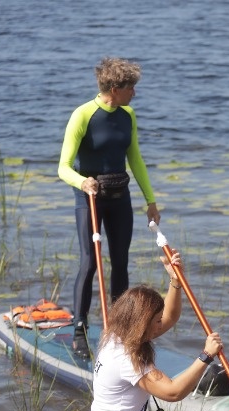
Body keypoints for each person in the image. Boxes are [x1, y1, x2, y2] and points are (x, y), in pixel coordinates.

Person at [85, 255, 222, 411]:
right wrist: (205, 357)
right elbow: (172, 392)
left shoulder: (119, 334)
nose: (161, 325)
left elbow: (170, 317)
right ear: (141, 323)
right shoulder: (125, 356)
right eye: (155, 321)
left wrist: (175, 281)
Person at [58, 57, 162, 358]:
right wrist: (82, 183)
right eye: (131, 88)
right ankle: (79, 329)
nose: (135, 93)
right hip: (90, 199)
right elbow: (63, 167)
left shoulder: (127, 115)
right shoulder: (83, 115)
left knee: (120, 263)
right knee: (90, 262)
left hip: (121, 199)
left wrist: (150, 200)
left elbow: (136, 160)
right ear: (114, 89)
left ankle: (121, 329)